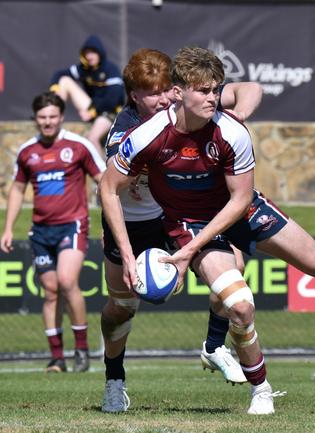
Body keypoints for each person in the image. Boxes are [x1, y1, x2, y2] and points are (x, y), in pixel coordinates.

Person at [100, 46, 315, 415]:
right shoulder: (145, 135)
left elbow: (240, 198)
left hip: (240, 209)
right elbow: (108, 188)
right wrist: (150, 252)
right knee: (241, 305)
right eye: (204, 91)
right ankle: (260, 388)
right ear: (179, 91)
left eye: (217, 90)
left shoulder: (232, 131)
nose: (212, 98)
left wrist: (187, 252)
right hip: (190, 223)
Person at [99, 47, 264, 413]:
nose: (162, 100)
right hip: (131, 224)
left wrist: (237, 115)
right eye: (152, 93)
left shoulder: (184, 104)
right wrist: (128, 255)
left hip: (175, 215)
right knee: (121, 307)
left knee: (232, 267)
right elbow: (108, 187)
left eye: (166, 90)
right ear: (134, 96)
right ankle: (114, 378)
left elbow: (250, 87)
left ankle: (214, 344)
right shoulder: (125, 132)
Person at [0, 92, 106, 373]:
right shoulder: (27, 152)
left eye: (53, 117)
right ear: (35, 119)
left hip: (72, 225)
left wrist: (110, 220)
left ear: (61, 117)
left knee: (67, 281)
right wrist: (8, 228)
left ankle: (81, 349)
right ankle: (57, 357)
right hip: (40, 231)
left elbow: (103, 180)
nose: (47, 122)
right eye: (42, 117)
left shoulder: (79, 146)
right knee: (50, 292)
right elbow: (17, 189)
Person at [49, 35, 125, 151]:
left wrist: (92, 111)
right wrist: (55, 89)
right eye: (87, 53)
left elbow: (113, 99)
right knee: (64, 80)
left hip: (110, 113)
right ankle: (54, 115)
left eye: (93, 52)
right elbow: (59, 74)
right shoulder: (84, 69)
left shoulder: (110, 69)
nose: (89, 56)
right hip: (92, 108)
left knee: (91, 138)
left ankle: (101, 169)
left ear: (100, 53)